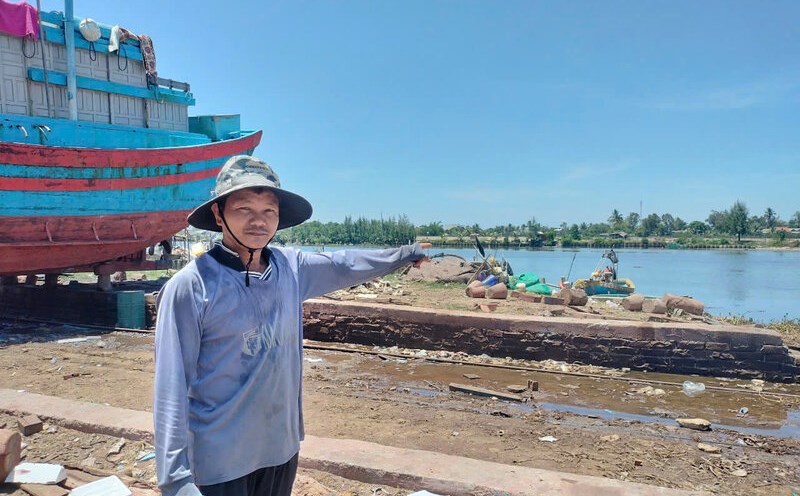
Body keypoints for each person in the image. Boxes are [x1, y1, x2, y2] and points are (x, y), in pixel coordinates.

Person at [153, 155, 430, 496]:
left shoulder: (292, 269)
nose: (258, 221)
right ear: (218, 213)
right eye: (244, 209)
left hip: (280, 451)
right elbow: (171, 388)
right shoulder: (191, 287)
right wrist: (175, 480)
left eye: (269, 211)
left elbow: (345, 265)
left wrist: (404, 254)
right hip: (219, 463)